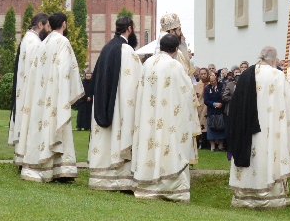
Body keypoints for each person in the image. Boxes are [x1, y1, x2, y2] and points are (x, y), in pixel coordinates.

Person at [227, 47, 290, 209]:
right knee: (268, 155)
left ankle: (244, 195)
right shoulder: (277, 75)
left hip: (246, 128)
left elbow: (235, 104)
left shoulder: (246, 74)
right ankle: (271, 195)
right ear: (274, 59)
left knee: (252, 155)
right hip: (270, 127)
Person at [132, 33, 201, 201]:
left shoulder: (147, 63)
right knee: (169, 146)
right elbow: (187, 92)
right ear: (176, 49)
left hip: (149, 116)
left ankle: (147, 184)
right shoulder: (175, 66)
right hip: (169, 117)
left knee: (150, 144)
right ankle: (171, 187)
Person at [17, 12, 83, 183]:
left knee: (43, 129)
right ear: (64, 24)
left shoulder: (44, 42)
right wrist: (64, 92)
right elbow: (66, 69)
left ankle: (49, 167)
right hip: (56, 93)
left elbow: (34, 71)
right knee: (58, 127)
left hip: (41, 94)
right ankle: (61, 170)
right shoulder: (63, 42)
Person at [87, 16, 142, 192]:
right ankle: (121, 180)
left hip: (102, 102)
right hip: (119, 105)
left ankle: (102, 178)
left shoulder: (106, 48)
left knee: (105, 140)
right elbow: (134, 83)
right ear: (130, 29)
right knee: (119, 135)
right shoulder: (127, 51)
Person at [7, 13, 49, 160]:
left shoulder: (29, 39)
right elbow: (36, 70)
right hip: (29, 89)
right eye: (47, 26)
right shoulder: (34, 43)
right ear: (40, 25)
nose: (48, 31)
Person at [204, 70, 226, 151]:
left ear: (216, 79)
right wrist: (214, 104)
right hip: (211, 112)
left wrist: (220, 104)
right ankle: (212, 146)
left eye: (214, 81)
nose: (213, 82)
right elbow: (206, 100)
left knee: (221, 128)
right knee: (211, 129)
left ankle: (220, 145)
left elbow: (224, 96)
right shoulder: (207, 88)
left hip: (220, 111)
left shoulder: (222, 86)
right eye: (211, 81)